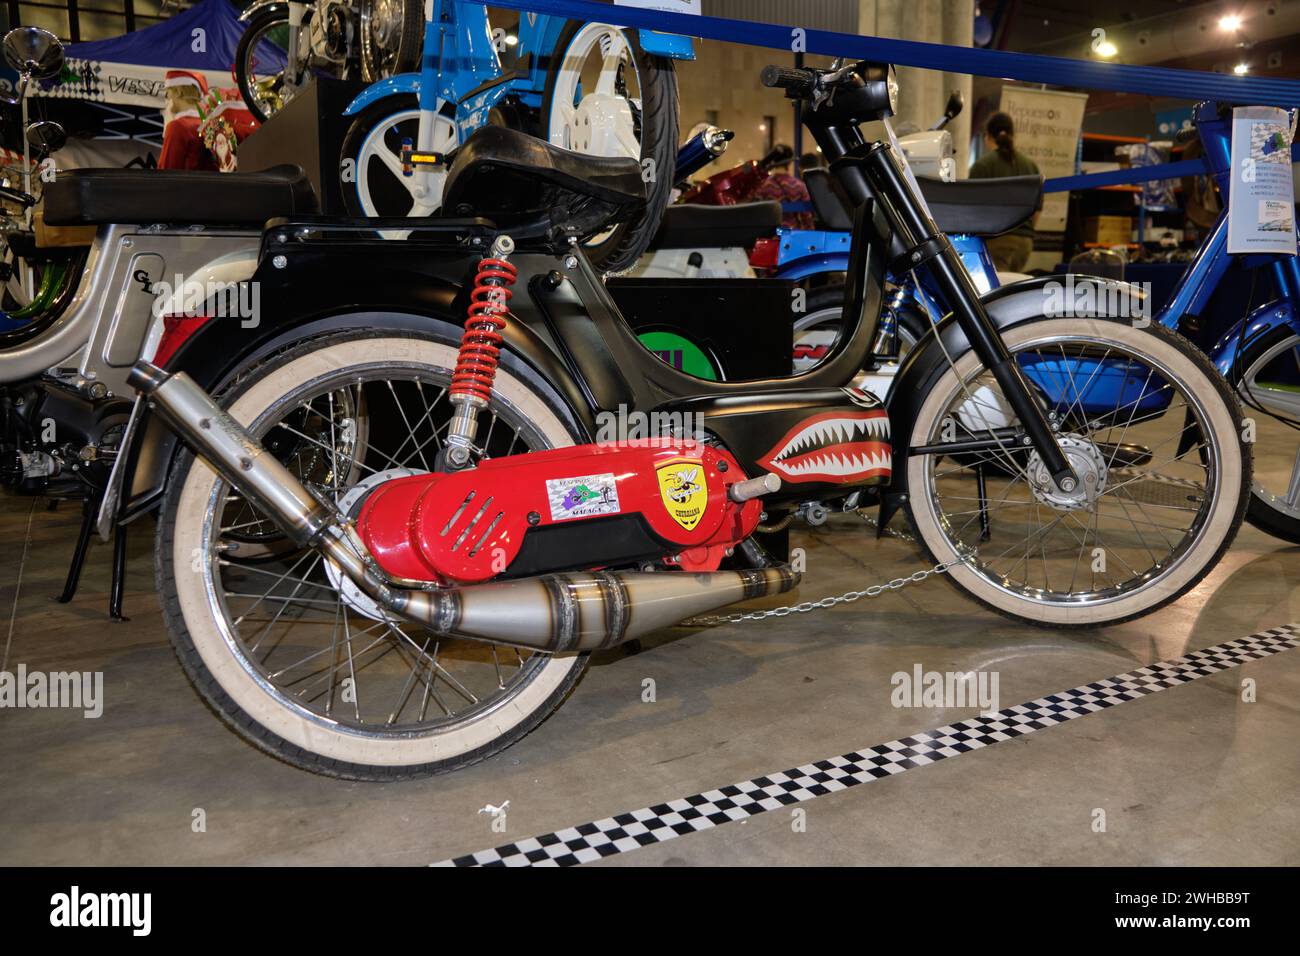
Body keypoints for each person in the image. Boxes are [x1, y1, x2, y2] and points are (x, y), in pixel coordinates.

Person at [969, 111, 1039, 271]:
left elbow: (971, 210)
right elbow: (1036, 211)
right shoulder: (1031, 166)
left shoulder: (983, 166)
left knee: (997, 293)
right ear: (1013, 135)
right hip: (1025, 243)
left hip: (998, 241)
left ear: (987, 136)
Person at [751, 144, 815, 229]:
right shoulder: (799, 186)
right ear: (789, 162)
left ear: (773, 161)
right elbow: (807, 217)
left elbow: (756, 214)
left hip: (770, 235)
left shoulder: (764, 185)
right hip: (792, 235)